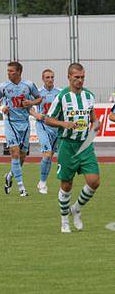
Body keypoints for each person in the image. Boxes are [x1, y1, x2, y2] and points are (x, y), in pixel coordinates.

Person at [44, 63, 100, 233]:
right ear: (69, 77)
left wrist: (95, 124)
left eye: (82, 77)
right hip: (67, 145)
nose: (80, 80)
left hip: (85, 145)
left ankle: (76, 208)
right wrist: (63, 123)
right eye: (77, 77)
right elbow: (48, 119)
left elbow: (92, 117)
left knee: (94, 181)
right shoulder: (62, 97)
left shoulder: (89, 96)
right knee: (67, 185)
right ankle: (64, 221)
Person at [0, 61, 41, 197]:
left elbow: (39, 99)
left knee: (22, 157)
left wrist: (31, 102)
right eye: (8, 71)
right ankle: (21, 188)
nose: (8, 73)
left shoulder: (29, 85)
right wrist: (2, 107)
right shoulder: (3, 86)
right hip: (10, 123)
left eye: (11, 71)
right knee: (14, 153)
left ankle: (9, 176)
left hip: (25, 124)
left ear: (19, 72)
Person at [29, 69, 61, 194]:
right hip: (42, 125)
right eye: (47, 77)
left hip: (56, 127)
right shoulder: (38, 93)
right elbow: (29, 107)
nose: (50, 79)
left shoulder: (59, 93)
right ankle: (42, 183)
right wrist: (35, 114)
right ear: (43, 79)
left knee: (50, 156)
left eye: (52, 77)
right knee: (47, 153)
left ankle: (43, 181)